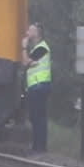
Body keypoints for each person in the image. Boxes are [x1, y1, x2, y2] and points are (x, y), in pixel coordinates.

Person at [21, 23, 52, 154]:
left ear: (37, 33)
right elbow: (28, 63)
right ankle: (37, 146)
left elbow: (25, 62)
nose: (27, 31)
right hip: (36, 86)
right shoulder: (36, 49)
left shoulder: (42, 48)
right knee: (35, 117)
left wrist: (23, 47)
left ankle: (40, 147)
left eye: (30, 29)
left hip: (40, 86)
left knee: (38, 117)